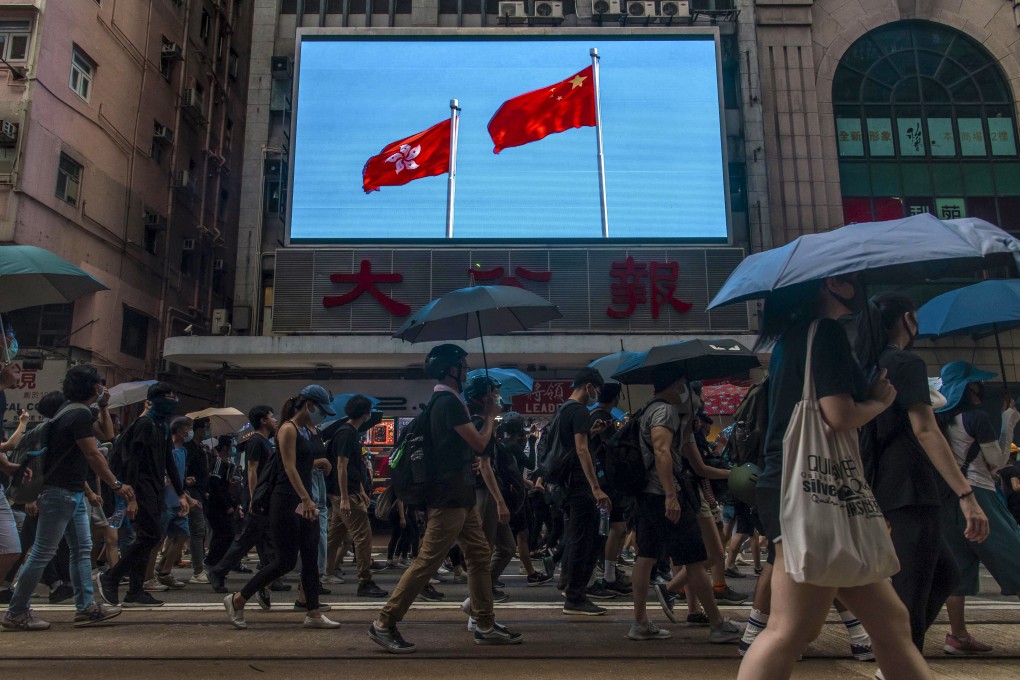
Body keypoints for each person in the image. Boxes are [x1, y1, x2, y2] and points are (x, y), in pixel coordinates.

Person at [737, 275, 931, 680]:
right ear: (831, 284)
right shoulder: (823, 333)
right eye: (851, 279)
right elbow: (839, 416)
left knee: (890, 622)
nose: (860, 287)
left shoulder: (794, 338)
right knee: (789, 630)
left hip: (810, 489)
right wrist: (878, 401)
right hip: (810, 490)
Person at [854, 294, 990, 653]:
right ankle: (898, 659)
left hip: (880, 483)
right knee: (912, 592)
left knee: (944, 573)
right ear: (907, 319)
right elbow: (926, 430)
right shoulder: (905, 362)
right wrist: (967, 496)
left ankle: (896, 651)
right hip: (910, 485)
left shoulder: (868, 364)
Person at [370, 344, 522, 653]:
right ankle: (384, 623)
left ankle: (484, 622)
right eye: (463, 366)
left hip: (460, 496)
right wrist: (491, 416)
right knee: (428, 561)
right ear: (449, 370)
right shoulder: (447, 403)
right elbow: (480, 443)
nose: (467, 371)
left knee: (479, 555)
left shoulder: (447, 402)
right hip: (448, 498)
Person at [3, 364, 131, 631]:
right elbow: (93, 454)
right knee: (42, 553)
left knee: (82, 550)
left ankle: (86, 608)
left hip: (71, 494)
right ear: (94, 387)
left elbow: (107, 434)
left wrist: (105, 406)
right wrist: (116, 484)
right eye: (100, 383)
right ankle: (16, 612)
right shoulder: (77, 415)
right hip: (59, 494)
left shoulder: (75, 412)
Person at [629, 371, 743, 643]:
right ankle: (717, 624)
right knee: (694, 559)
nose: (692, 396)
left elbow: (696, 464)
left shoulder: (657, 413)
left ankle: (640, 623)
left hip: (646, 495)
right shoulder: (665, 411)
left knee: (645, 557)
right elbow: (661, 450)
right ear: (677, 386)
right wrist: (671, 494)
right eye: (687, 389)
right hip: (665, 496)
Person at [223, 385, 339, 629]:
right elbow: (288, 467)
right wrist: (305, 499)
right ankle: (237, 600)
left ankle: (314, 613)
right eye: (322, 410)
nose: (324, 415)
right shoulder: (288, 429)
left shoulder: (310, 430)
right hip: (286, 500)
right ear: (309, 406)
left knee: (310, 557)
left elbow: (303, 462)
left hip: (305, 501)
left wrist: (319, 465)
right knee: (285, 561)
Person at [934, 361, 1020, 654]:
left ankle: (957, 636)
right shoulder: (977, 418)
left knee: (958, 567)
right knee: (1014, 553)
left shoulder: (938, 420)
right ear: (970, 386)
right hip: (979, 494)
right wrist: (1009, 420)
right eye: (977, 382)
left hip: (947, 500)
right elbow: (997, 461)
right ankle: (958, 638)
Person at [97, 383, 188, 608]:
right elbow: (132, 463)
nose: (172, 400)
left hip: (156, 489)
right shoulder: (145, 424)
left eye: (174, 396)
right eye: (168, 397)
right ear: (152, 401)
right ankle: (111, 576)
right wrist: (132, 497)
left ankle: (135, 590)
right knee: (149, 536)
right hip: (141, 488)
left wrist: (181, 493)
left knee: (147, 539)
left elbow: (168, 462)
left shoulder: (163, 426)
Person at [555, 367, 612, 616]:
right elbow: (581, 450)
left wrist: (592, 432)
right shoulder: (579, 411)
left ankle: (572, 589)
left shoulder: (563, 409)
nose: (596, 394)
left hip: (567, 483)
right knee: (584, 541)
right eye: (596, 389)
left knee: (576, 538)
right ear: (588, 386)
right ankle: (576, 597)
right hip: (580, 485)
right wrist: (596, 488)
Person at [207, 405, 282, 594]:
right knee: (247, 539)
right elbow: (252, 469)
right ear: (264, 420)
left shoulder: (264, 441)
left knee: (266, 538)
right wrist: (255, 497)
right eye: (272, 417)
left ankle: (270, 578)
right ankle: (218, 571)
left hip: (261, 496)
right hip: (257, 498)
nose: (275, 420)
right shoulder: (256, 441)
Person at [330, 395, 387, 598]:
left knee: (335, 537)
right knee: (363, 536)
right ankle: (365, 581)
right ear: (366, 413)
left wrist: (361, 490)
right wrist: (346, 496)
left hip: (345, 492)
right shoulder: (347, 434)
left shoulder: (348, 432)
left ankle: (325, 572)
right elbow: (341, 465)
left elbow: (353, 467)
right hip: (344, 494)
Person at [588, 383, 632, 597]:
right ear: (615, 397)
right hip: (605, 482)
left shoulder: (598, 415)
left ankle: (608, 575)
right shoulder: (602, 418)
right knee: (611, 529)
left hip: (602, 482)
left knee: (614, 528)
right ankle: (606, 576)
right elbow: (612, 447)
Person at [153, 417, 195, 589]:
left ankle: (164, 570)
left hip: (179, 501)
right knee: (157, 538)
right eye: (188, 428)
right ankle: (147, 576)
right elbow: (167, 476)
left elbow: (179, 477)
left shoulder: (183, 451)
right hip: (166, 501)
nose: (189, 432)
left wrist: (185, 492)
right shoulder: (166, 450)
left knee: (183, 534)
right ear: (179, 430)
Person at [205, 436, 240, 571]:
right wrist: (227, 505)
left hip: (224, 504)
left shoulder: (228, 464)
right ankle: (212, 561)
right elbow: (215, 484)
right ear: (226, 447)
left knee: (221, 535)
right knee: (226, 534)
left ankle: (214, 562)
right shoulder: (219, 463)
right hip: (217, 506)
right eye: (231, 445)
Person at [183, 417, 211, 584]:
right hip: (190, 493)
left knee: (181, 533)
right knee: (197, 530)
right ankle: (198, 570)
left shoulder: (203, 449)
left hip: (200, 493)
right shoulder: (188, 449)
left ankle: (162, 568)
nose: (208, 431)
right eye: (206, 427)